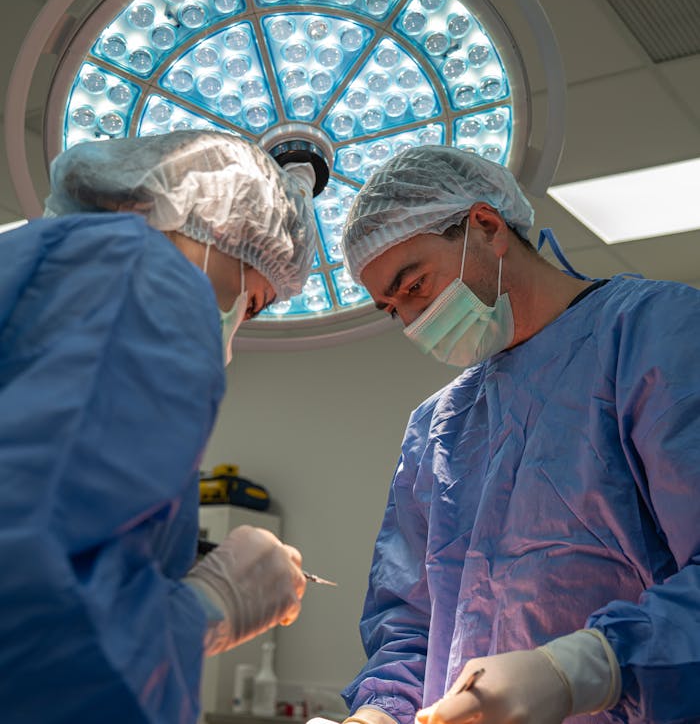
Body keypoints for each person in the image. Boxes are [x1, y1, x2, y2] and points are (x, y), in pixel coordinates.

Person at [338, 145, 700, 724]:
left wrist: (588, 669)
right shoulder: (438, 426)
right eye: (391, 309)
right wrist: (379, 712)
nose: (411, 322)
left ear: (486, 226)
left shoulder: (659, 337)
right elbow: (408, 621)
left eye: (415, 286)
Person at [0, 130, 318, 724]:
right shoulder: (144, 278)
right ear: (220, 226)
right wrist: (207, 606)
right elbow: (41, 628)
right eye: (251, 302)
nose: (234, 328)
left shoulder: (31, 262)